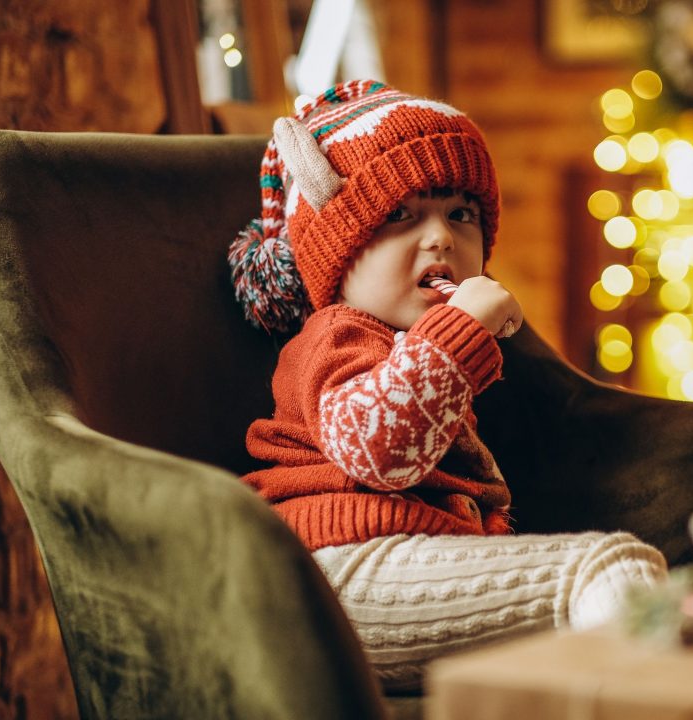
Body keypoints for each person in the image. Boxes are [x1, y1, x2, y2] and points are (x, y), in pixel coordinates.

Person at [227, 79, 668, 690]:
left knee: (635, 599)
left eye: (461, 214)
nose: (440, 237)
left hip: (401, 568)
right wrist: (460, 330)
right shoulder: (335, 336)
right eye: (401, 216)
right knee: (606, 569)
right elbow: (377, 452)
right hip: (335, 579)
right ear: (337, 256)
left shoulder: (413, 345)